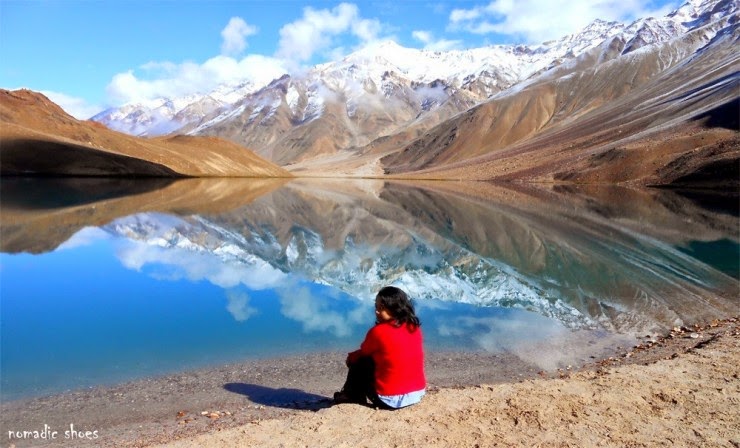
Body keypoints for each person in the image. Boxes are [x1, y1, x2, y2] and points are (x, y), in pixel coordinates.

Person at [333, 286, 426, 409]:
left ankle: (351, 395)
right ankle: (351, 394)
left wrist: (350, 358)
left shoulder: (378, 332)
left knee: (360, 361)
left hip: (389, 400)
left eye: (381, 308)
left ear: (395, 308)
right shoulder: (414, 327)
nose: (376, 311)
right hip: (417, 394)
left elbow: (364, 353)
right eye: (376, 306)